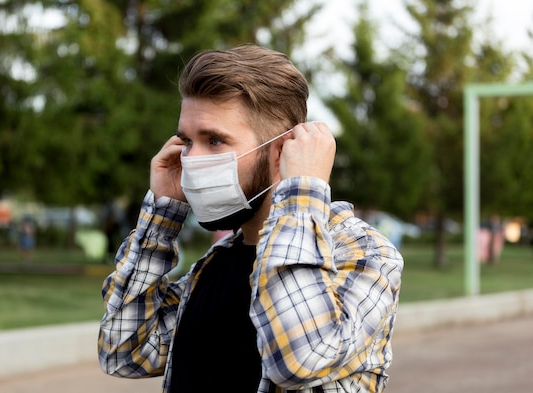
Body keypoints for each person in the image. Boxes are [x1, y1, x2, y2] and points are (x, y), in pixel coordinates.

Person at [98, 44, 404, 393]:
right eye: (186, 141)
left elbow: (302, 361)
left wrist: (301, 192)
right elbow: (125, 351)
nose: (190, 160)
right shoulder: (214, 264)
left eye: (214, 140)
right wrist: (162, 217)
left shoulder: (363, 253)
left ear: (282, 150)